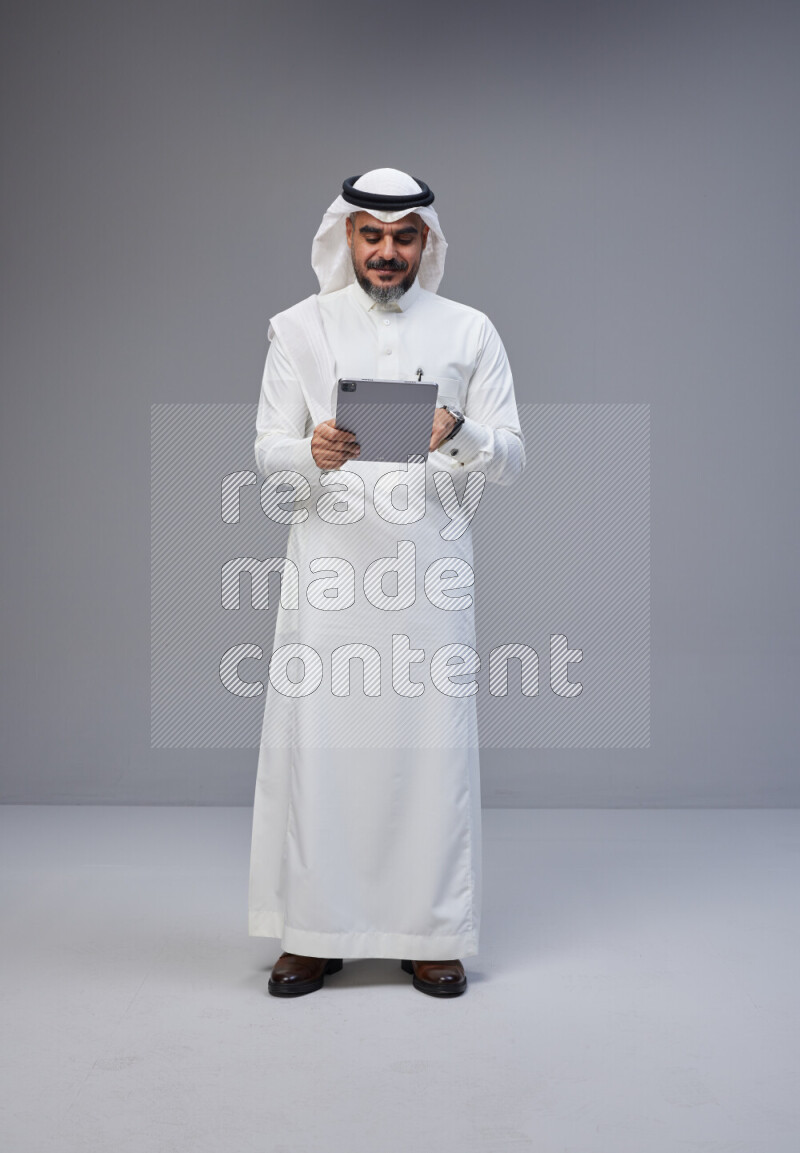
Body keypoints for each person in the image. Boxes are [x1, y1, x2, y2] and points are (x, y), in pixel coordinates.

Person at [248, 168, 525, 998]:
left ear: (427, 243)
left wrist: (459, 427)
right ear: (347, 237)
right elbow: (267, 451)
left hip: (430, 579)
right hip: (329, 577)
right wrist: (311, 452)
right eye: (372, 234)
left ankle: (430, 930)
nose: (387, 251)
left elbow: (511, 456)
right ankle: (313, 933)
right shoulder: (298, 330)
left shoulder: (471, 331)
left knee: (428, 749)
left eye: (405, 236)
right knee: (322, 749)